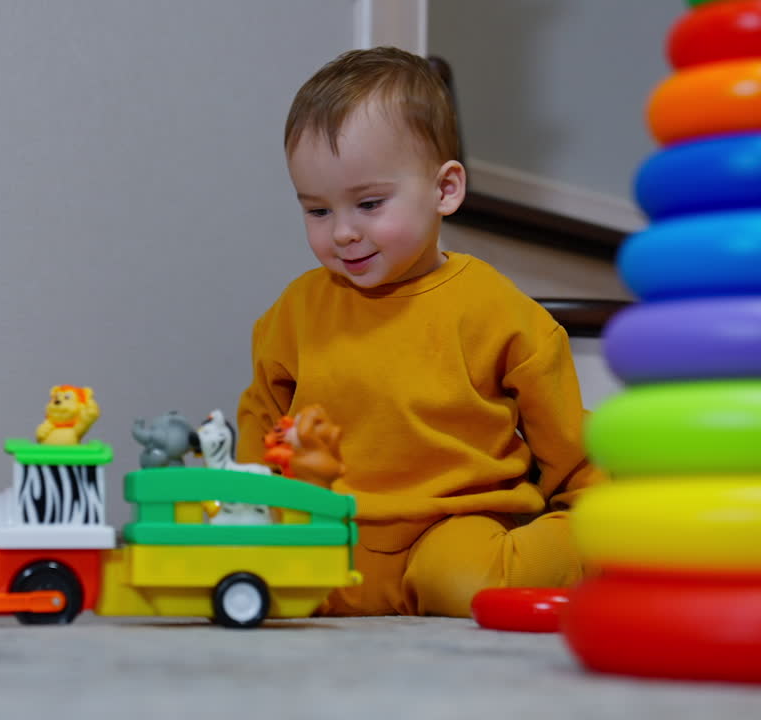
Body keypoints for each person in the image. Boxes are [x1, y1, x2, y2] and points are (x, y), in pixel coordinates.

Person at [236, 47, 607, 617]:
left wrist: (593, 503)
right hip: (337, 526)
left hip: (453, 524)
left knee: (462, 584)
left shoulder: (493, 309)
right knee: (272, 587)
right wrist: (249, 505)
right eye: (317, 211)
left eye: (368, 203)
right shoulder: (297, 311)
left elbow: (561, 433)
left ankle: (599, 538)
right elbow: (262, 416)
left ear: (445, 190)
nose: (342, 233)